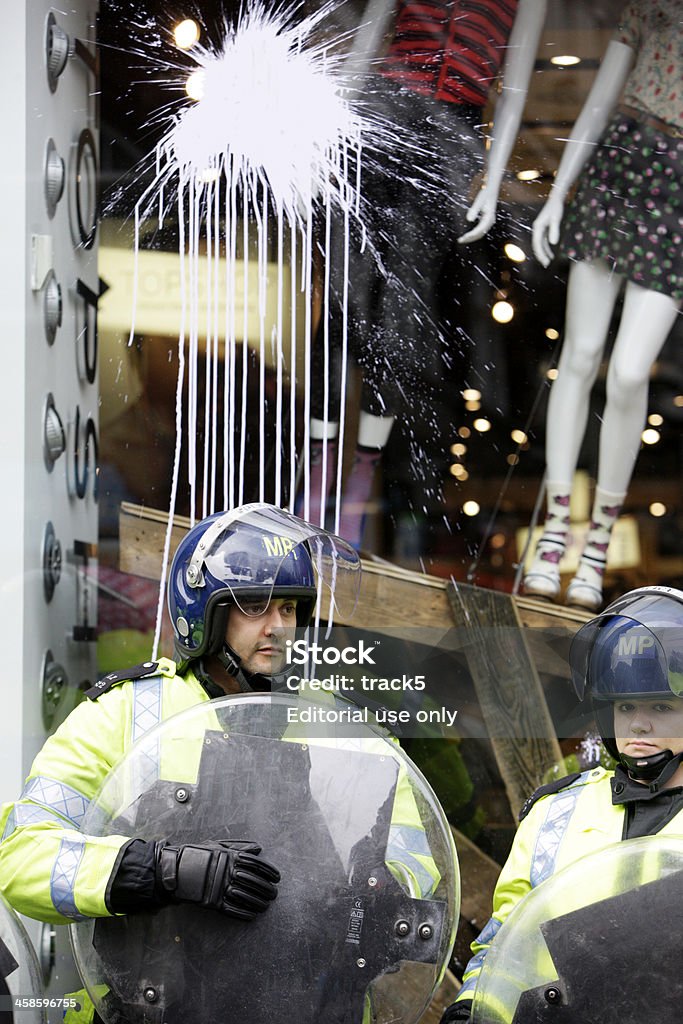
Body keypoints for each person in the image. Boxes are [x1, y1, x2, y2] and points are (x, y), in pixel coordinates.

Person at [0, 502, 438, 1023]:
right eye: (254, 605)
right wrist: (161, 869)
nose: (277, 626)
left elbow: (417, 863)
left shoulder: (345, 728)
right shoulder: (125, 713)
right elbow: (24, 857)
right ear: (205, 613)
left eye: (290, 608)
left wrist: (386, 886)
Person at [299, 0, 547, 548]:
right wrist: (329, 131)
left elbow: (515, 85)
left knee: (400, 326)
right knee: (342, 304)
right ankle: (320, 465)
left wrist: (490, 173)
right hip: (377, 124)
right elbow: (369, 38)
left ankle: (363, 468)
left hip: (447, 144)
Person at [439, 584, 683, 1023]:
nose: (639, 723)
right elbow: (509, 944)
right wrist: (477, 1007)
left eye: (661, 705)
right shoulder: (557, 811)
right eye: (625, 705)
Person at [522, 0, 683, 611]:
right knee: (582, 351)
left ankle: (597, 548)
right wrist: (559, 191)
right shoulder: (653, 6)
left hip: (678, 198)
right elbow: (600, 99)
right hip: (622, 158)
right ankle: (555, 531)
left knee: (628, 371)